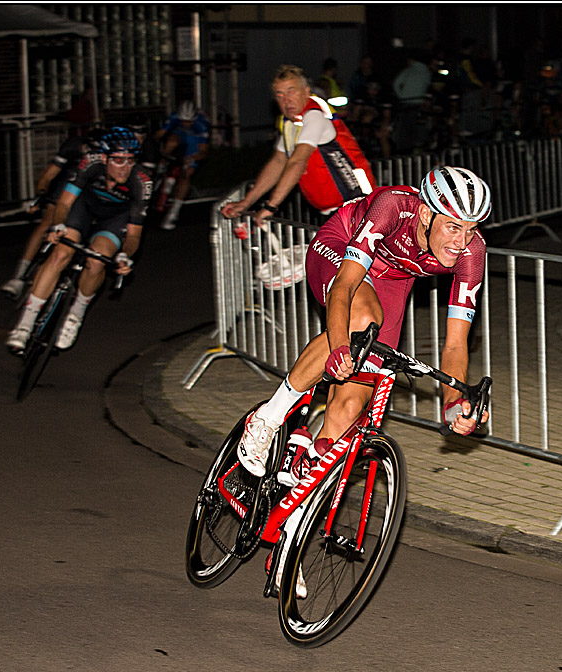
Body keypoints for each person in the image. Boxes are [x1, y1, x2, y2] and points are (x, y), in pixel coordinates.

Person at [235, 166, 492, 483]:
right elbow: (343, 286)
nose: (461, 241)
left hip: (394, 280)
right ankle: (266, 419)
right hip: (341, 248)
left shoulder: (472, 252)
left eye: (471, 229)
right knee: (363, 320)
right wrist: (340, 346)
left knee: (351, 406)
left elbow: (455, 343)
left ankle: (295, 502)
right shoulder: (393, 206)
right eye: (453, 227)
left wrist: (454, 401)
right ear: (426, 214)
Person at [5, 127, 151, 353]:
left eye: (130, 160)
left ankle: (76, 314)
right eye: (119, 161)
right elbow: (63, 204)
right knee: (61, 253)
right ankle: (24, 325)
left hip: (114, 218)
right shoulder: (90, 163)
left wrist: (125, 255)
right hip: (84, 207)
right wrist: (59, 225)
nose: (125, 167)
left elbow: (133, 234)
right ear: (104, 158)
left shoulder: (141, 181)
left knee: (98, 260)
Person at [220, 65, 376, 226]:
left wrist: (271, 206)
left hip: (357, 208)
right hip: (333, 211)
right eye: (280, 95)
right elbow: (278, 162)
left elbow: (297, 161)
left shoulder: (315, 116)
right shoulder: (291, 123)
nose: (286, 100)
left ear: (306, 92)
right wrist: (246, 202)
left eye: (291, 91)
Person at [0, 127, 108, 299]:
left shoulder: (109, 160)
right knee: (47, 222)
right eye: (88, 149)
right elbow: (50, 174)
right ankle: (19, 276)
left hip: (93, 191)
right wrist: (41, 193)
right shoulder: (73, 146)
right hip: (68, 184)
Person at [152, 100, 211, 230]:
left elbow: (203, 152)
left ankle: (174, 212)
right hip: (179, 137)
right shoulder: (174, 117)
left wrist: (191, 159)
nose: (186, 124)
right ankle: (162, 169)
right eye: (183, 121)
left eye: (189, 121)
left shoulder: (202, 125)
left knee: (187, 174)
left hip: (193, 145)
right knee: (172, 141)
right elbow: (158, 135)